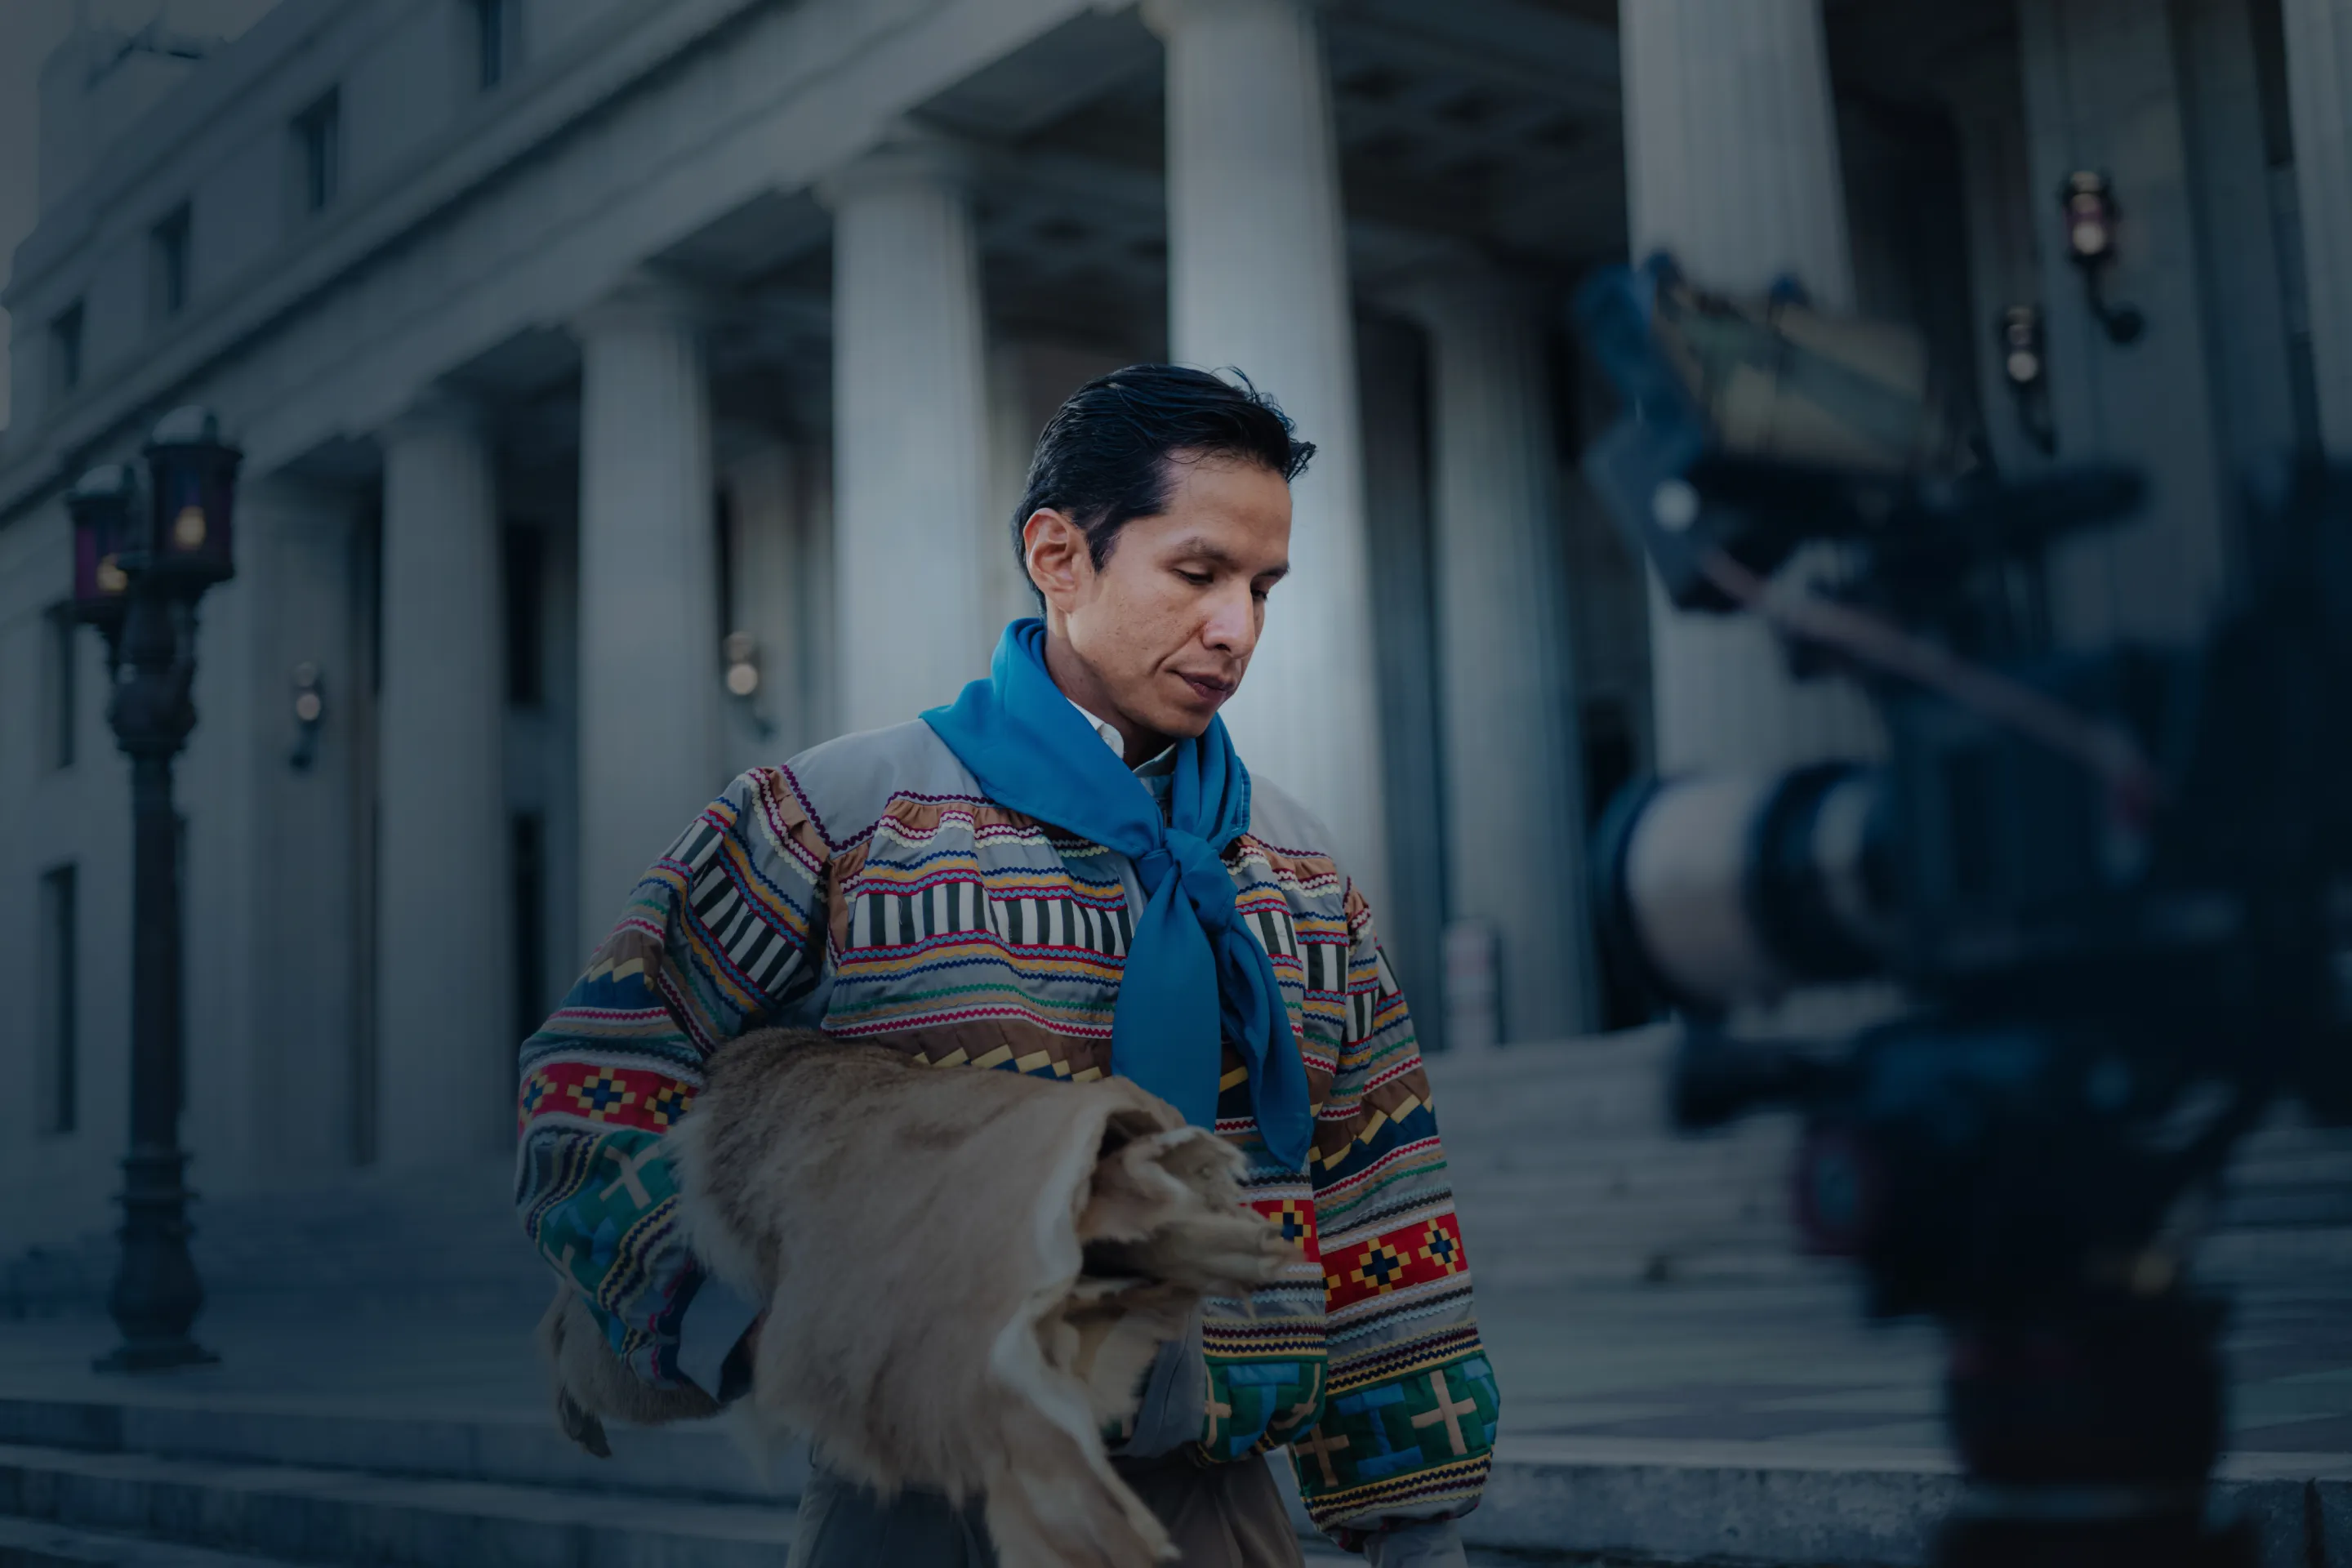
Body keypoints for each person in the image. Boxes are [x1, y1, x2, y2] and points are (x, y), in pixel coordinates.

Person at [516, 365, 1498, 1566]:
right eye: (1197, 574)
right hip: (923, 1511)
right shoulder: (843, 818)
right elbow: (594, 1075)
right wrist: (736, 1319)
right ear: (1059, 555)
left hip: (1220, 1512)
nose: (1236, 627)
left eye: (1261, 587)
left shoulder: (1293, 866)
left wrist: (1417, 1530)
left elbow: (1376, 1184)